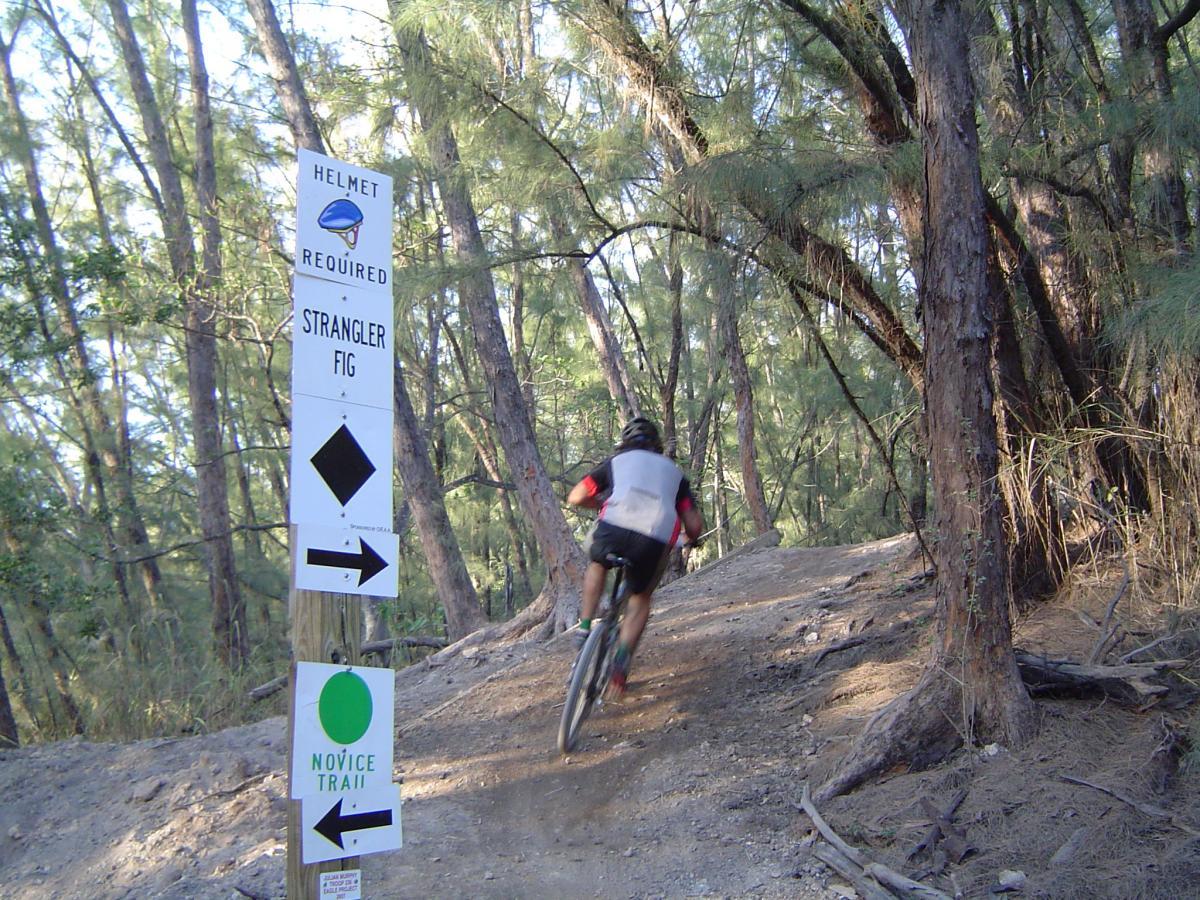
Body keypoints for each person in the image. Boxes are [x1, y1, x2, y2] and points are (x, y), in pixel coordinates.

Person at [566, 416, 704, 699]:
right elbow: (693, 523)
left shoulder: (615, 463)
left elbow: (576, 496)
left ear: (624, 443)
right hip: (653, 538)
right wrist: (692, 539)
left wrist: (601, 504)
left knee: (597, 562)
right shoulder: (675, 474)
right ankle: (621, 662)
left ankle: (583, 627)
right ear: (657, 446)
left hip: (614, 528)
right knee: (640, 597)